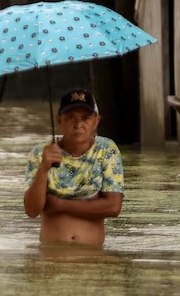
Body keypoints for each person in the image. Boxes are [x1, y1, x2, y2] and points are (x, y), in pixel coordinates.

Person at [23, 88, 124, 246]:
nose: (78, 124)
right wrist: (44, 168)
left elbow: (113, 207)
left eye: (86, 118)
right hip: (51, 256)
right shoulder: (41, 153)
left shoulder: (106, 150)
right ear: (59, 120)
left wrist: (60, 205)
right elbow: (31, 210)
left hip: (93, 258)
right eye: (70, 117)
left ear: (96, 121)